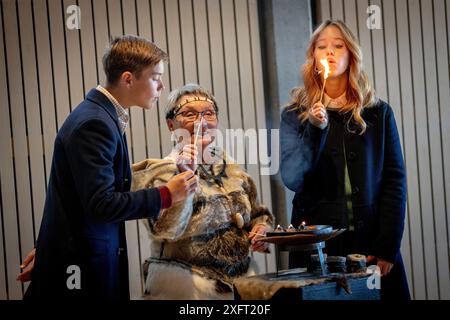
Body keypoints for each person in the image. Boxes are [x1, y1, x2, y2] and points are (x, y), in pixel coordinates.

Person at [18, 35, 198, 300]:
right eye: (155, 77)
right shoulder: (95, 123)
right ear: (128, 79)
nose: (161, 86)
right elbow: (101, 203)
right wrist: (166, 195)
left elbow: (85, 192)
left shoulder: (104, 115)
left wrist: (48, 248)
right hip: (79, 268)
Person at [280, 20, 410, 300]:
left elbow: (394, 181)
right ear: (313, 58)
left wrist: (388, 245)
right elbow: (292, 179)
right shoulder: (295, 114)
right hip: (319, 247)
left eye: (338, 46)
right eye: (322, 47)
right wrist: (315, 130)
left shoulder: (378, 112)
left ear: (351, 55)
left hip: (371, 243)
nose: (330, 52)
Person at [132, 83, 274, 299]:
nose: (201, 122)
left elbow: (258, 214)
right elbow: (164, 230)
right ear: (171, 125)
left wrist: (261, 229)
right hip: (186, 290)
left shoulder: (231, 170)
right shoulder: (159, 173)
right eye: (189, 114)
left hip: (241, 287)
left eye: (209, 113)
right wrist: (185, 177)